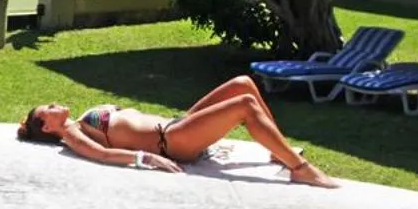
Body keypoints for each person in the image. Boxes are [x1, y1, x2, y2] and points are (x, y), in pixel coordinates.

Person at [18, 75, 338, 188]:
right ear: (48, 126)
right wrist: (148, 159)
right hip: (172, 141)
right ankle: (300, 170)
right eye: (49, 108)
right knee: (244, 106)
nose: (55, 103)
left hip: (176, 124)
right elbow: (102, 154)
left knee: (243, 84)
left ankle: (275, 150)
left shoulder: (76, 123)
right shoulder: (71, 135)